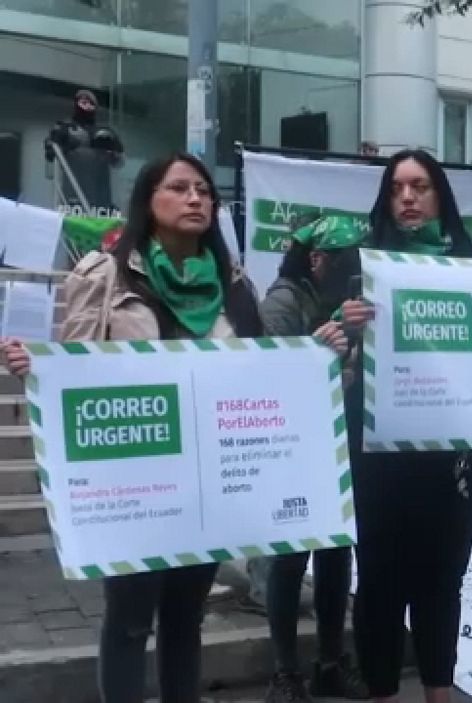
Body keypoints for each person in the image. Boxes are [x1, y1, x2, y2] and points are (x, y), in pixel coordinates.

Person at [1, 153, 346, 702]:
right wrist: (36, 368)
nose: (195, 199)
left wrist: (315, 353)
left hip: (207, 484)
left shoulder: (235, 285)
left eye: (204, 191)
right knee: (129, 619)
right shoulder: (104, 274)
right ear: (149, 199)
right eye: (180, 188)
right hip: (134, 481)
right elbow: (74, 368)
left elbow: (264, 369)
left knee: (186, 617)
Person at [336, 149, 472, 703]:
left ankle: (438, 694)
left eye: (420, 186)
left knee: (442, 581)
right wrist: (343, 327)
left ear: (440, 196)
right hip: (377, 456)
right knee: (380, 582)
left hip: (453, 460)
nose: (407, 198)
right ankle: (383, 692)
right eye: (396, 188)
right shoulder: (360, 266)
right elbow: (322, 353)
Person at [260, 215, 368, 702]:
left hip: (339, 446)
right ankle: (285, 673)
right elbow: (273, 374)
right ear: (318, 260)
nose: (355, 269)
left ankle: (330, 662)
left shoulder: (349, 302)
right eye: (346, 260)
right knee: (288, 561)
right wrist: (326, 342)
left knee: (335, 556)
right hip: (292, 450)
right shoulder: (283, 302)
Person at [45, 89, 124, 214]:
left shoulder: (106, 132)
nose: (87, 106)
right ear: (76, 104)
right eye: (83, 102)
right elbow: (50, 154)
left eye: (90, 103)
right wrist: (62, 145)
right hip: (72, 196)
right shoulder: (64, 128)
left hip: (101, 200)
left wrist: (110, 147)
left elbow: (119, 161)